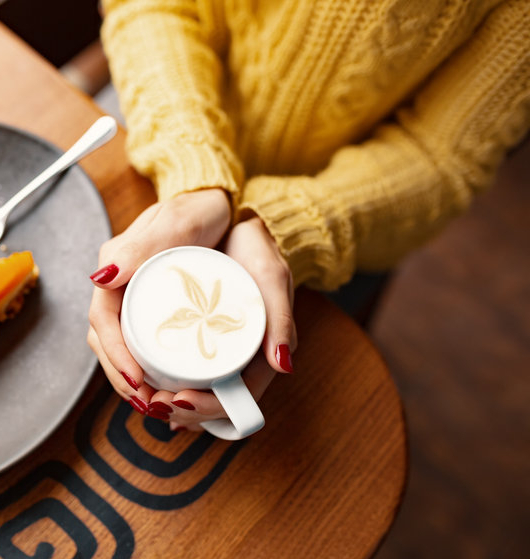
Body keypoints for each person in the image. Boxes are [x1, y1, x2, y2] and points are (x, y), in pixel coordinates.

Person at [86, 0, 530, 432]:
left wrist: (286, 225)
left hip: (341, 225)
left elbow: (442, 158)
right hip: (162, 112)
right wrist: (192, 168)